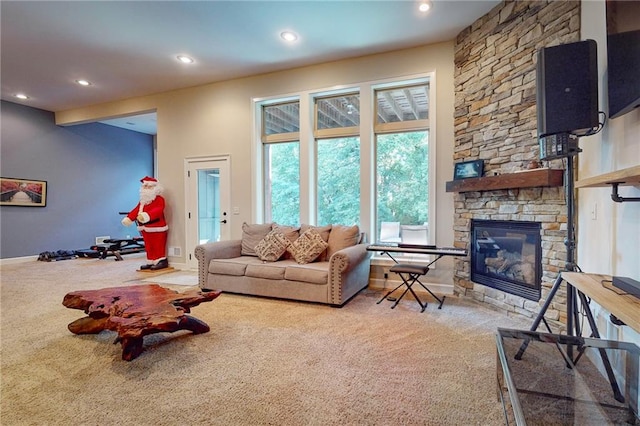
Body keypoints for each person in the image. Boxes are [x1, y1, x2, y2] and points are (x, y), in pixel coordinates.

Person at [121, 176, 169, 270]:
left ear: (155, 188)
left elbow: (158, 210)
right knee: (148, 245)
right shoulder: (143, 201)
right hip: (145, 227)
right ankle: (150, 260)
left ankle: (160, 260)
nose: (146, 189)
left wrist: (146, 216)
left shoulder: (159, 199)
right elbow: (136, 210)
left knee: (157, 244)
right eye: (145, 187)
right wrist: (129, 218)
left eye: (149, 187)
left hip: (157, 226)